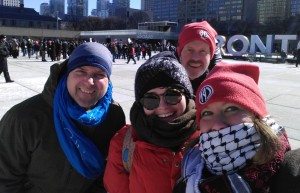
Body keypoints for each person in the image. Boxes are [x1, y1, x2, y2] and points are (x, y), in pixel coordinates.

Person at [0, 42, 126, 193]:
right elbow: (5, 180)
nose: (89, 82)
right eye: (81, 71)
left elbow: (108, 172)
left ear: (108, 80)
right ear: (67, 74)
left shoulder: (113, 116)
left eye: (100, 74)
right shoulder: (23, 118)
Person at [173, 62, 291, 193]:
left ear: (257, 115)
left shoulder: (290, 175)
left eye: (231, 109)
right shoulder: (190, 173)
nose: (217, 125)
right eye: (207, 113)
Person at [104, 51, 200, 193]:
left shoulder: (209, 135)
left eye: (172, 95)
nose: (162, 106)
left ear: (186, 96)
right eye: (151, 99)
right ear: (140, 104)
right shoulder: (124, 142)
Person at [176, 21, 222, 93]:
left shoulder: (219, 90)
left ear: (211, 56)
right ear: (180, 53)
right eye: (190, 50)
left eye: (203, 51)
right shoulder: (163, 85)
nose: (195, 58)